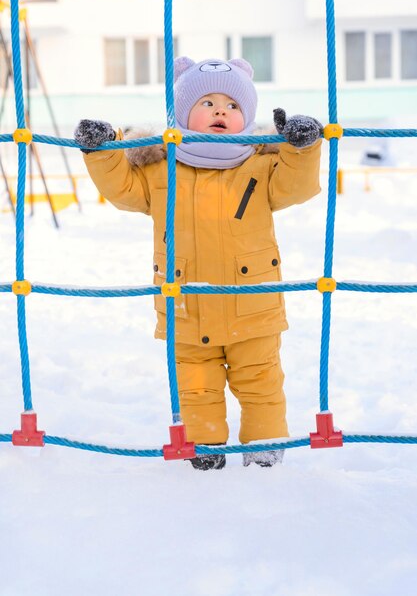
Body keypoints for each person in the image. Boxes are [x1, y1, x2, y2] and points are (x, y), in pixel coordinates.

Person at [74, 57, 322, 470]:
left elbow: (297, 187)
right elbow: (122, 190)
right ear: (183, 112)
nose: (221, 111)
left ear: (247, 117)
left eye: (232, 105)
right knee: (194, 390)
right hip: (185, 310)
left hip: (253, 309)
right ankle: (205, 457)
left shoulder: (262, 164)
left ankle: (265, 457)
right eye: (207, 102)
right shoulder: (160, 167)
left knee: (262, 387)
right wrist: (104, 151)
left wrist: (301, 147)